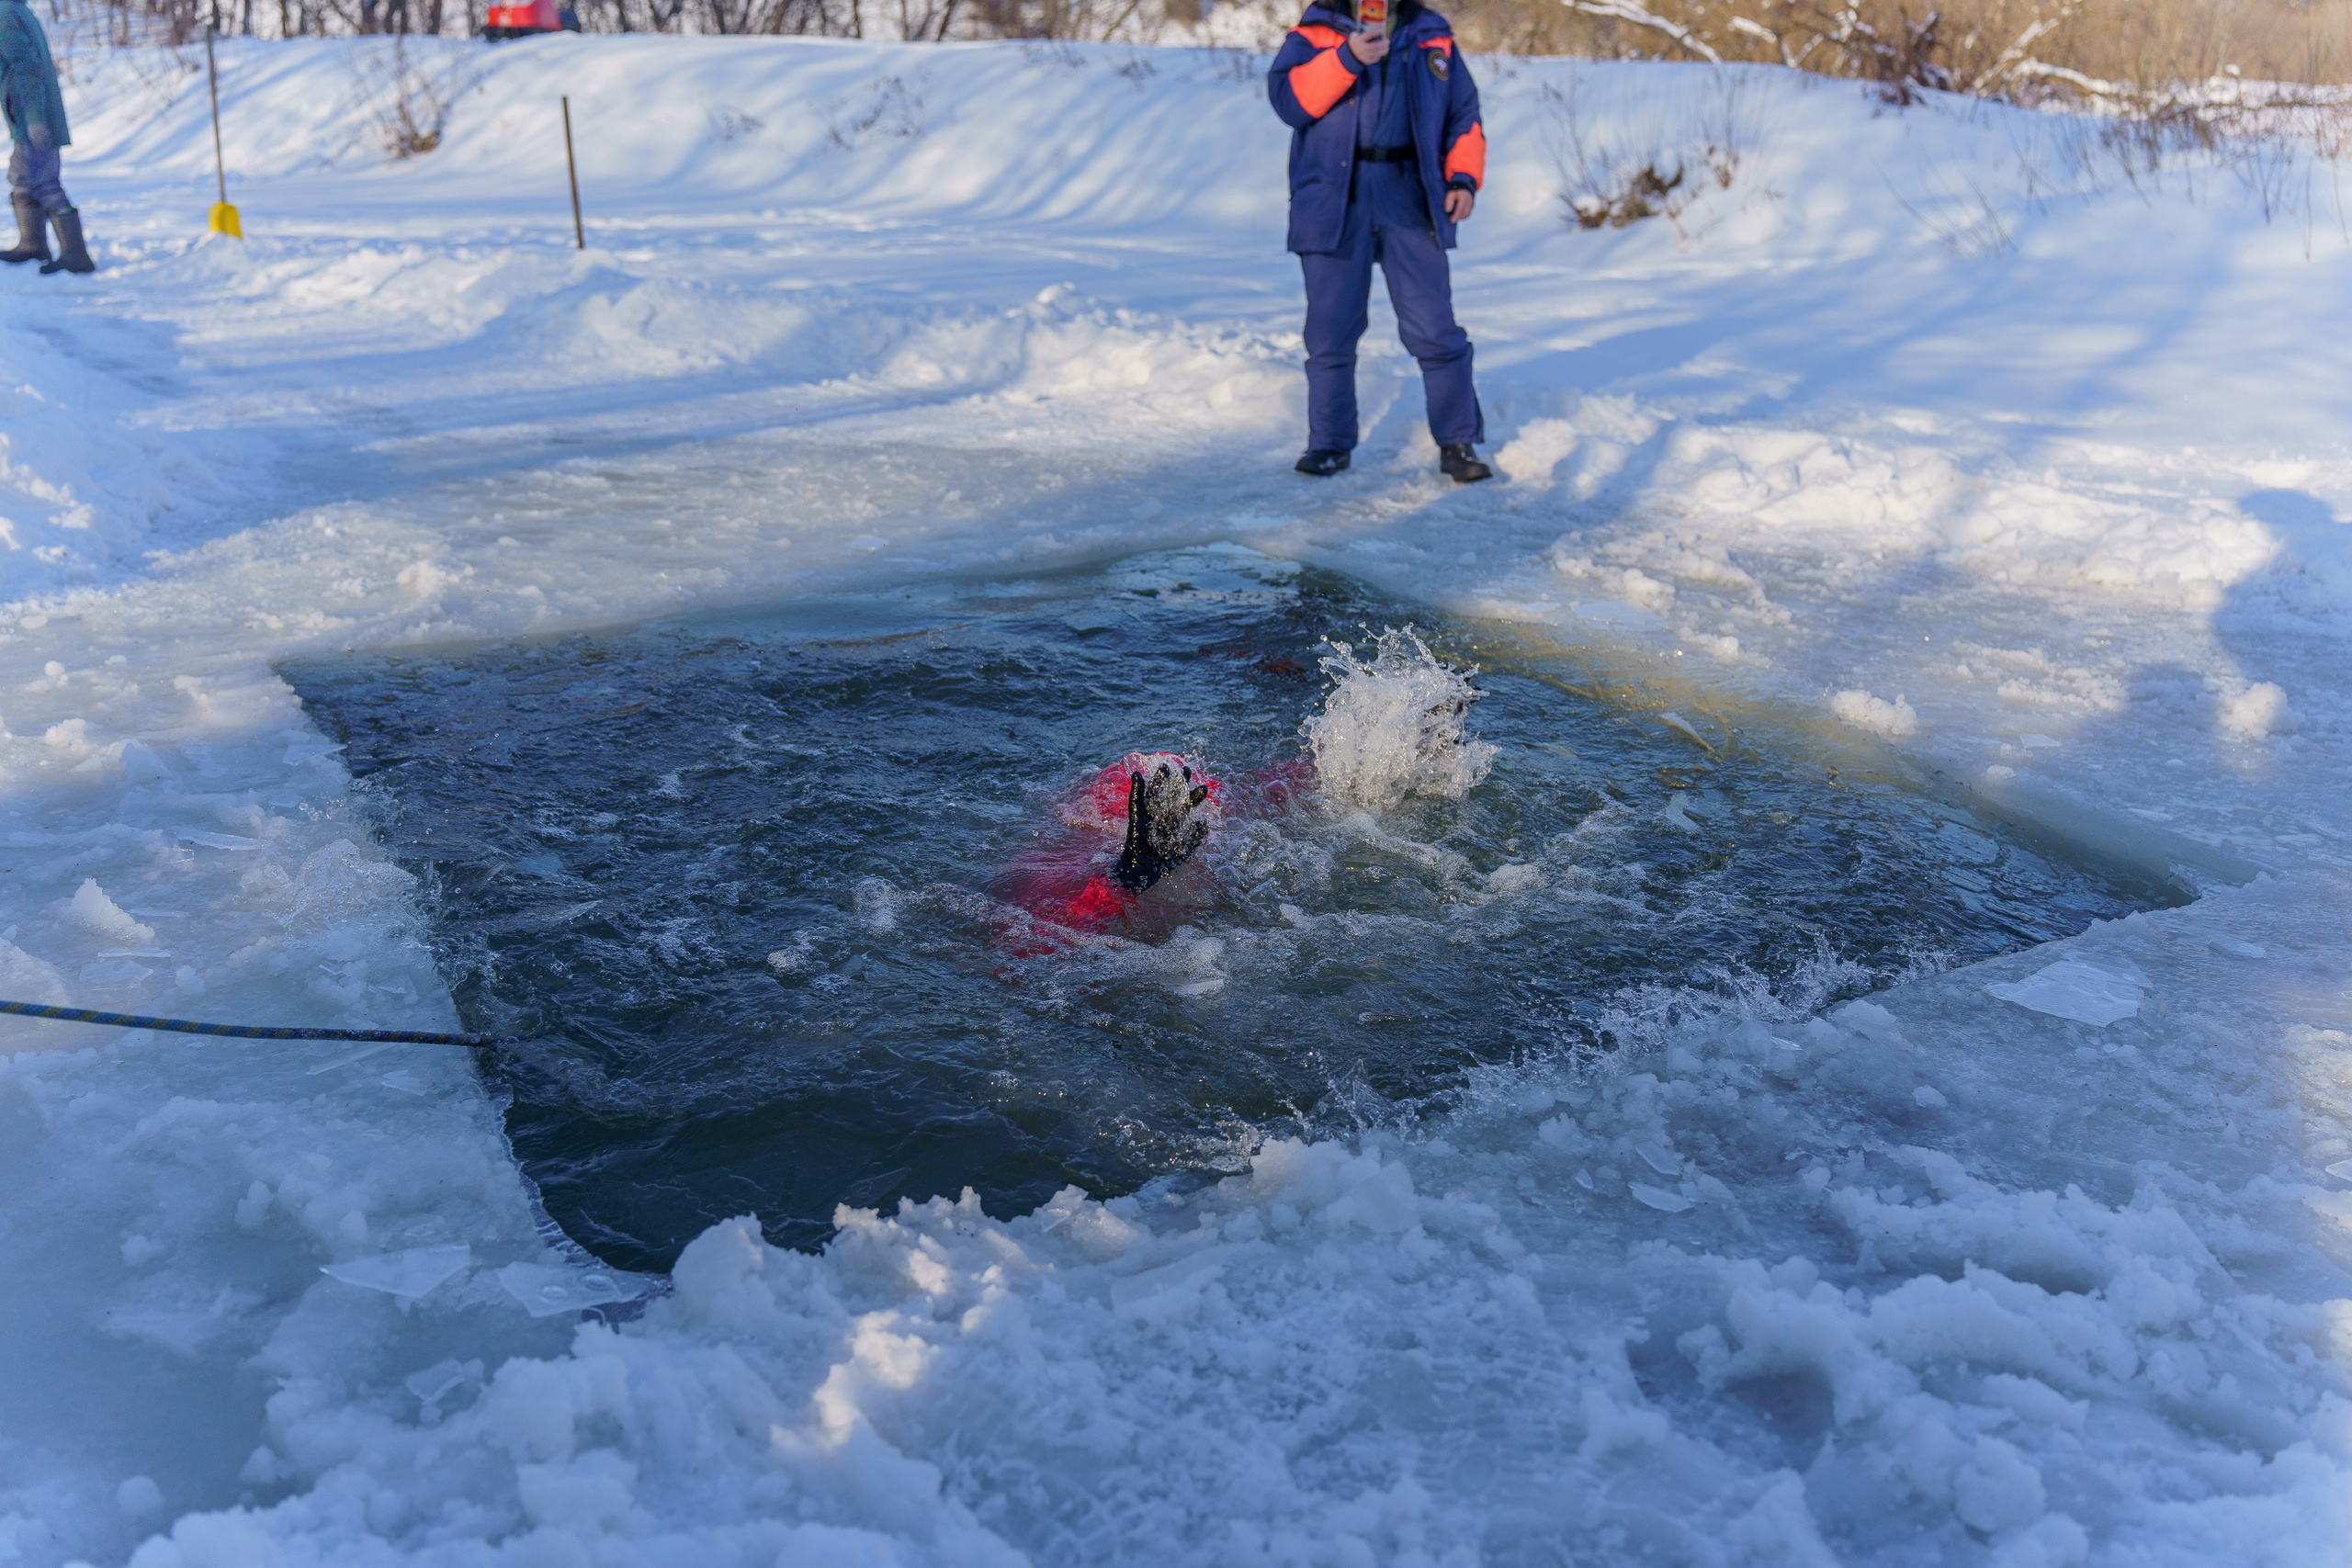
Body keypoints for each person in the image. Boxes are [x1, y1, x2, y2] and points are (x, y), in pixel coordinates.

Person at [1268, 0, 1490, 483]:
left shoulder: (1432, 35)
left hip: (1409, 196)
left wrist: (1463, 179)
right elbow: (1289, 102)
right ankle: (1329, 444)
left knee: (1435, 328)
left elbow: (1464, 114)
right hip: (1334, 200)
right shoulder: (1314, 33)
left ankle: (1457, 442)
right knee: (1330, 332)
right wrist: (1347, 58)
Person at [0, 0, 94, 276]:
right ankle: (32, 245)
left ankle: (76, 255)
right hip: (27, 115)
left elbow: (26, 68)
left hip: (34, 115)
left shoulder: (4, 12)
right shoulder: (13, 8)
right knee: (22, 179)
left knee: (43, 181)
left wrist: (35, 119)